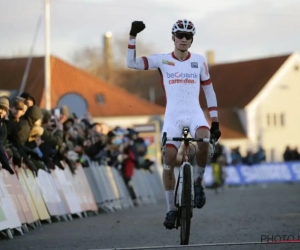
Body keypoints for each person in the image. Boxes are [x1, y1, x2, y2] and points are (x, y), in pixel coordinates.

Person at [126, 19, 221, 229]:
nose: (184, 39)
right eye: (180, 35)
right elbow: (131, 64)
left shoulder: (199, 60)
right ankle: (170, 209)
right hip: (173, 117)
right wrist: (132, 36)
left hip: (195, 114)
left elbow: (209, 91)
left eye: (188, 36)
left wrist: (214, 122)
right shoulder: (162, 60)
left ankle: (197, 182)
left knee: (204, 140)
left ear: (191, 40)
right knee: (168, 157)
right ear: (173, 38)